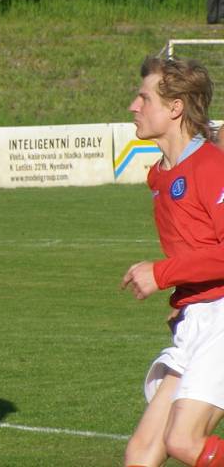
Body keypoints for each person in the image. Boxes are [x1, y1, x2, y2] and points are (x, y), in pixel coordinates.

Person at [121, 56, 224, 467]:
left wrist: (161, 273)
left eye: (144, 98)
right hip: (199, 319)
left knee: (183, 440)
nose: (133, 106)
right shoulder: (160, 175)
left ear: (176, 107)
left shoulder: (212, 166)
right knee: (142, 452)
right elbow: (195, 247)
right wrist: (186, 298)